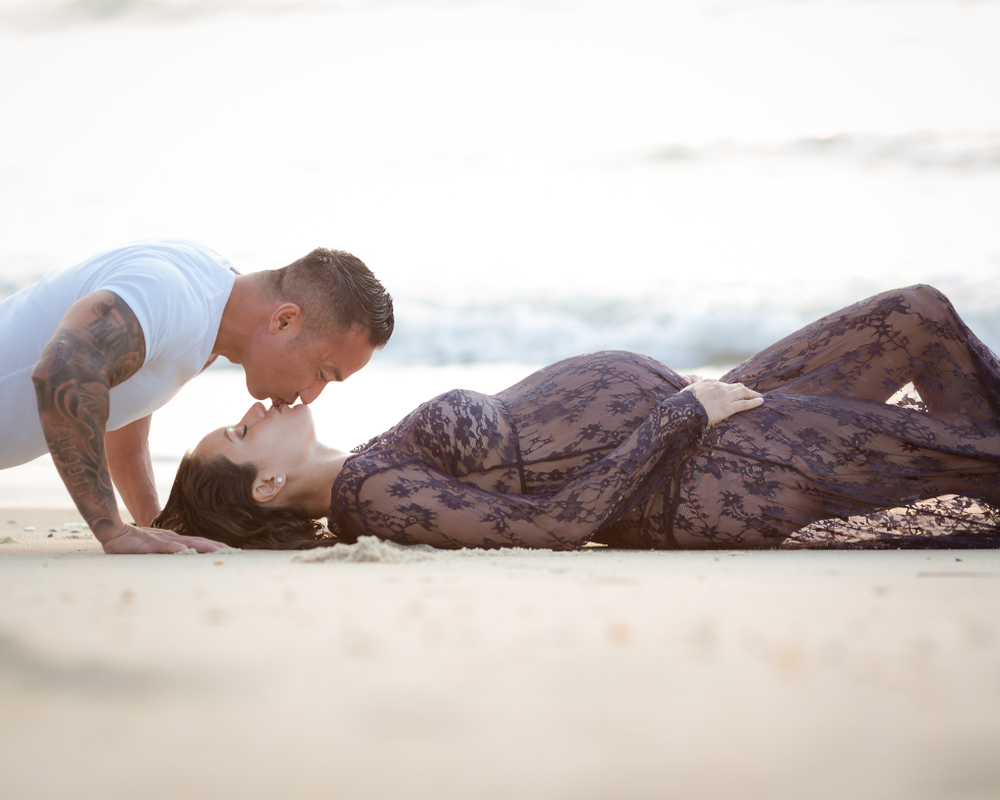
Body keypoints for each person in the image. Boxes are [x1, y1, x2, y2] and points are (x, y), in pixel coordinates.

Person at [153, 285, 1000, 551]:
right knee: (974, 457)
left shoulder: (372, 462)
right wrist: (680, 414)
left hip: (707, 414)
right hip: (706, 473)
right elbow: (555, 524)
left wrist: (690, 403)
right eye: (239, 431)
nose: (253, 408)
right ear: (265, 484)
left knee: (918, 314)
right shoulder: (372, 497)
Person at [0, 239, 393, 554]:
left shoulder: (212, 307)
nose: (310, 396)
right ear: (284, 320)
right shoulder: (171, 294)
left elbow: (122, 406)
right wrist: (111, 530)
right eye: (322, 373)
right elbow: (63, 370)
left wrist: (155, 528)